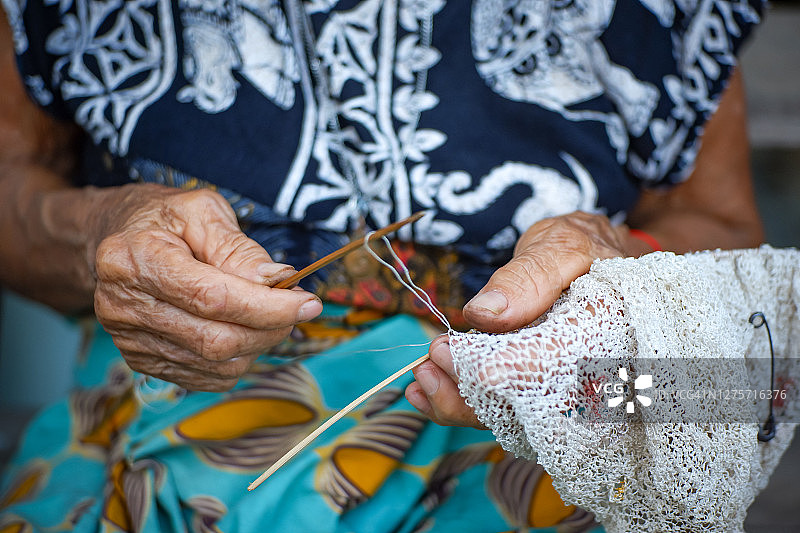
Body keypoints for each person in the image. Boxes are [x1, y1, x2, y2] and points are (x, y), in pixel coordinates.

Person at [0, 1, 764, 531]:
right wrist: (103, 232)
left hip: (560, 409)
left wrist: (625, 270)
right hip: (176, 393)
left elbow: (739, 295)